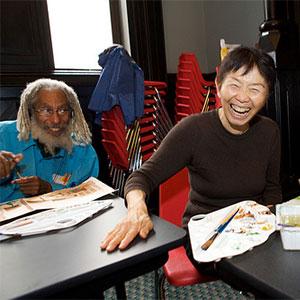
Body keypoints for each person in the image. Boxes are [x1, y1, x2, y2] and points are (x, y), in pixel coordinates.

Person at [100, 46, 282, 273]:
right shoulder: (193, 130)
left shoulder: (269, 131)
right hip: (206, 232)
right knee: (255, 269)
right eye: (234, 85)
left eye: (255, 89)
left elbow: (272, 189)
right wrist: (137, 210)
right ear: (218, 86)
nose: (243, 97)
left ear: (266, 96)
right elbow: (141, 177)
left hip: (251, 228)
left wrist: (272, 225)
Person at [0, 78, 99, 202]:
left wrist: (50, 189)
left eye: (63, 110)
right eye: (46, 110)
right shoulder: (3, 136)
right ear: (30, 111)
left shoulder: (83, 150)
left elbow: (89, 195)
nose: (56, 120)